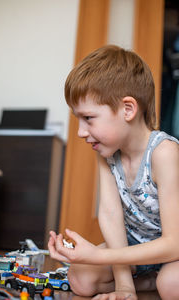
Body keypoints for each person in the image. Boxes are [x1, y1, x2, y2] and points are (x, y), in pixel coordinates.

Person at [48, 45, 179, 300]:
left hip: (173, 249)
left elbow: (174, 242)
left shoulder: (165, 153)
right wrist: (124, 287)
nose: (80, 132)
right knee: (80, 279)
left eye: (88, 118)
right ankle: (142, 283)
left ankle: (154, 281)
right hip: (134, 245)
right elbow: (110, 214)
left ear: (127, 110)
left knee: (172, 285)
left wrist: (99, 256)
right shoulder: (107, 153)